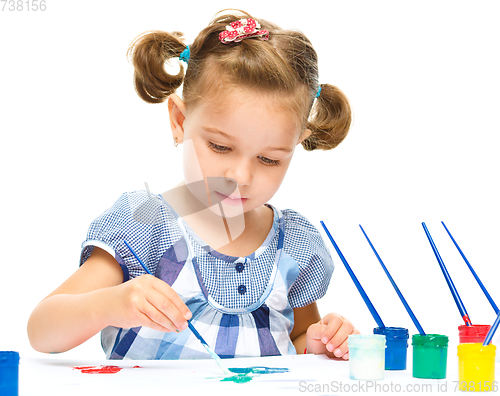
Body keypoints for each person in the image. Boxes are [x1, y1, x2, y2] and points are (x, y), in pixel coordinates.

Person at [27, 10, 359, 360]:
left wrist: (322, 343)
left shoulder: (293, 244)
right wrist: (109, 305)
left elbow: (299, 340)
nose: (240, 177)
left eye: (269, 159)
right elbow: (42, 331)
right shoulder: (145, 225)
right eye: (220, 147)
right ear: (180, 121)